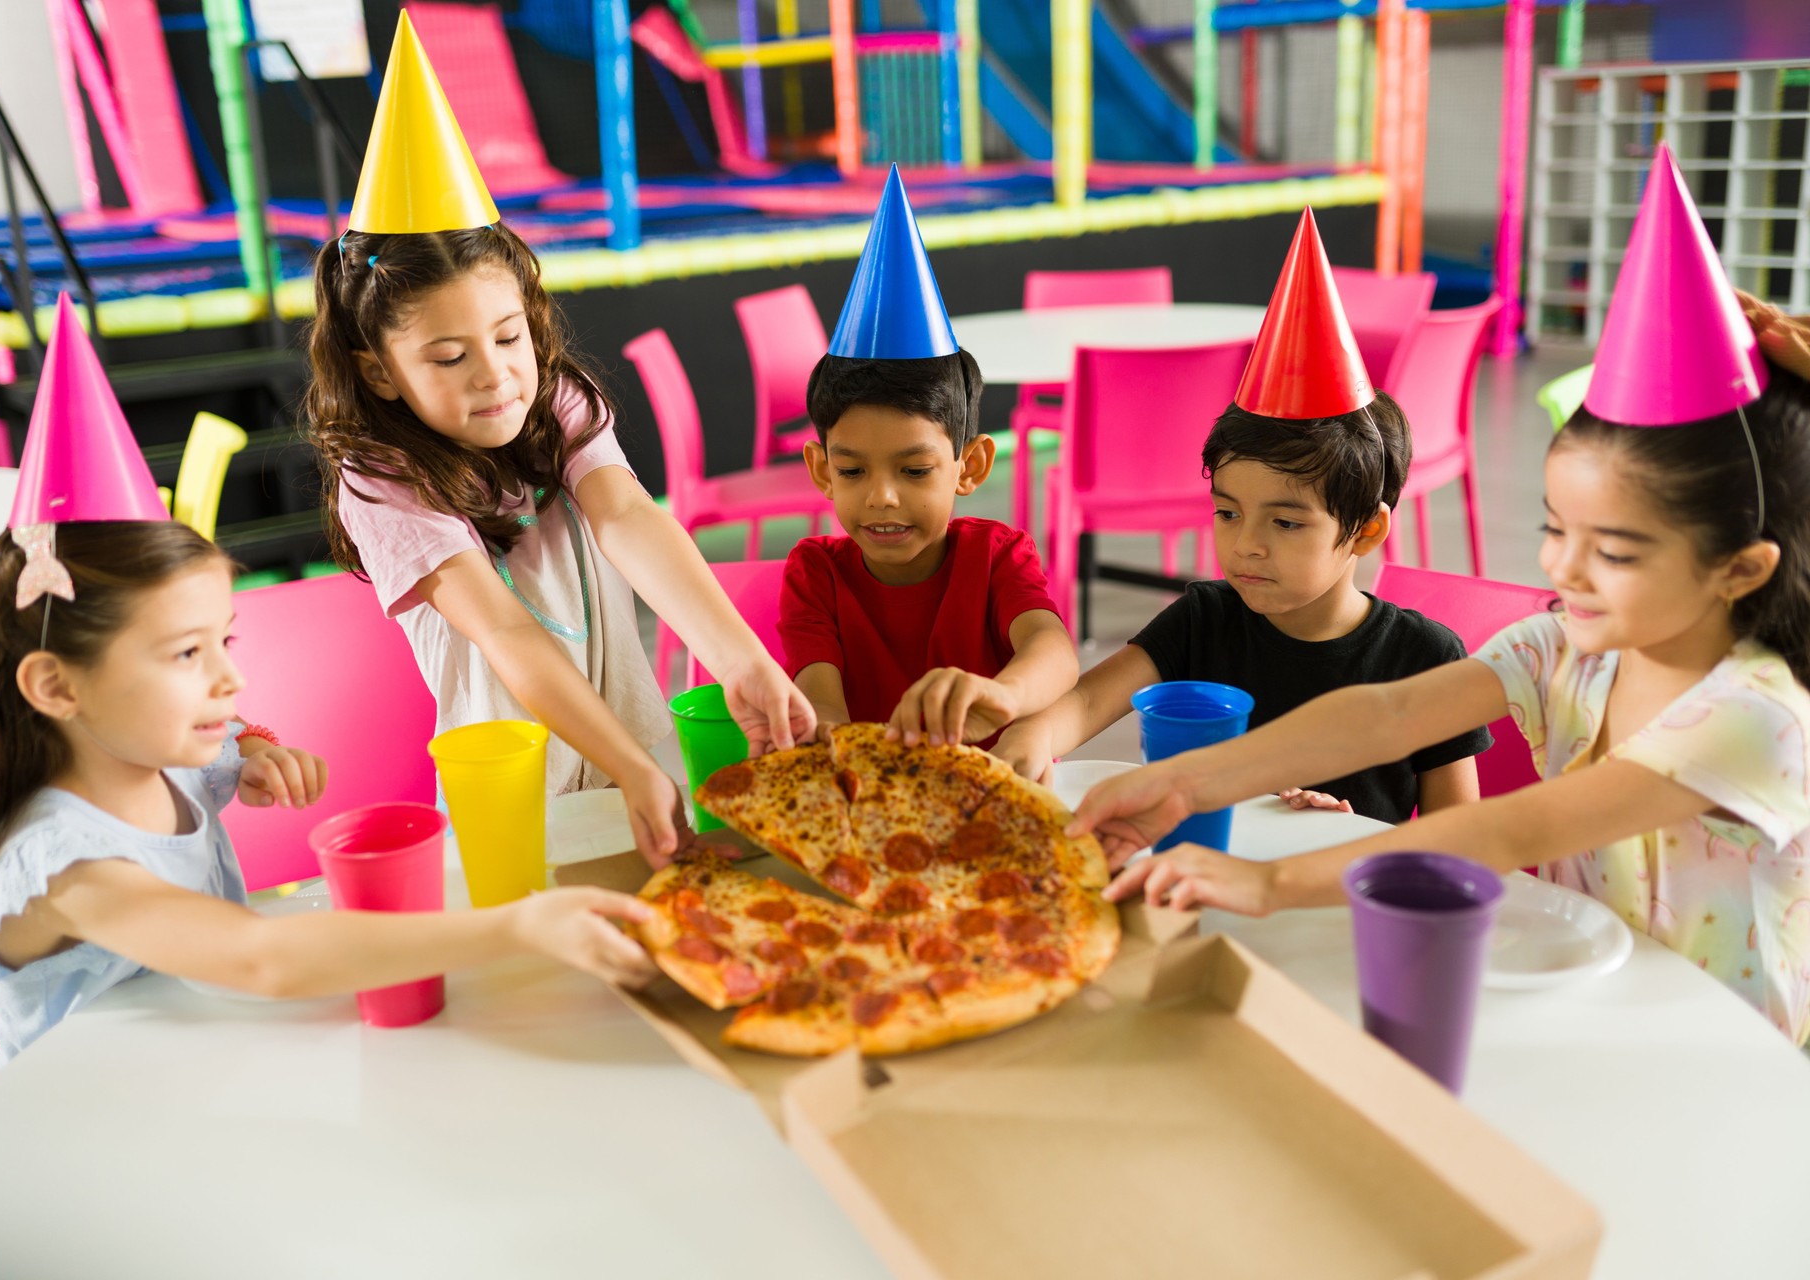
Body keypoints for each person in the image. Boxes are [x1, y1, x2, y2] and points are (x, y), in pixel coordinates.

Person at [1073, 146, 1810, 1045]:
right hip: (1576, 1008)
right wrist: (1179, 784)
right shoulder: (1565, 647)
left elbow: (1500, 835)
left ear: (1742, 569)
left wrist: (1268, 883)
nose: (1565, 571)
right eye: (1555, 529)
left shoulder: (1756, 720)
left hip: (1723, 1054)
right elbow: (1381, 718)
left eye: (1611, 549)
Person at [0, 303, 655, 1069]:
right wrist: (517, 930)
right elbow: (260, 956)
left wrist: (255, 750)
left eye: (221, 642)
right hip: (90, 1141)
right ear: (55, 686)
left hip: (205, 1088)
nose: (229, 677)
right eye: (183, 656)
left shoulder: (145, 755)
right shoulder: (63, 865)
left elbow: (222, 754)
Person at [304, 17, 811, 867]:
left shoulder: (556, 397)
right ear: (381, 371)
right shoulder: (381, 475)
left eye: (509, 337)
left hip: (631, 747)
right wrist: (623, 761)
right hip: (515, 786)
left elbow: (627, 519)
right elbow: (504, 632)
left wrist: (741, 660)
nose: (496, 375)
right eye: (448, 357)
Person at [995, 210, 1486, 823]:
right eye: (1228, 512)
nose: (1245, 546)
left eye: (1285, 523)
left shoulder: (1424, 660)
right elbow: (1091, 699)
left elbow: (1460, 839)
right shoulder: (1206, 621)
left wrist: (1352, 835)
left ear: (1366, 530)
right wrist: (1036, 736)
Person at [778, 167, 1076, 748]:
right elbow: (820, 697)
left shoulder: (996, 558)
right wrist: (836, 742)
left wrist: (1007, 695)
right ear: (821, 470)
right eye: (852, 470)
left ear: (971, 466)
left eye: (914, 471)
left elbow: (1054, 652)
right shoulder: (817, 572)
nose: (882, 496)